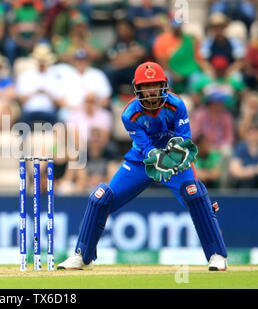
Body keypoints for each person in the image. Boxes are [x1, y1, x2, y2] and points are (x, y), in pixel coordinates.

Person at [57, 61, 228, 271]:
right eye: (146, 86)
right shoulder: (130, 114)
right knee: (101, 198)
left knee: (196, 197)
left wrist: (174, 159)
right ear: (138, 88)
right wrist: (157, 158)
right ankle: (82, 256)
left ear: (163, 85)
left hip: (175, 160)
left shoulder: (177, 105)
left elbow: (184, 140)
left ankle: (217, 256)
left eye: (154, 85)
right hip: (142, 162)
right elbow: (145, 147)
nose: (151, 91)